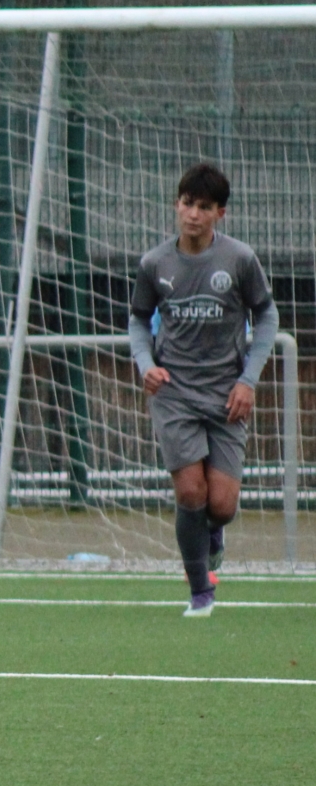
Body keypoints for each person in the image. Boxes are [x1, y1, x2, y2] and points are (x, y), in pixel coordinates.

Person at [128, 163, 276, 618]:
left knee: (222, 506)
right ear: (177, 205)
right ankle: (199, 592)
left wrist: (248, 380)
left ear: (220, 214)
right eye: (188, 204)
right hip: (174, 392)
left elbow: (267, 316)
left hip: (227, 394)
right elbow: (138, 320)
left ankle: (212, 534)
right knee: (191, 493)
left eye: (204, 207)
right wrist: (146, 365)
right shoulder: (155, 263)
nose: (194, 214)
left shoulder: (239, 260)